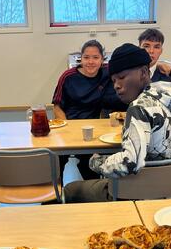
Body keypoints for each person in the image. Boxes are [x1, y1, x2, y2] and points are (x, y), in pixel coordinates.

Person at [64, 43, 171, 203]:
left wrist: (96, 162)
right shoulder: (170, 99)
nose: (116, 85)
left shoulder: (138, 108)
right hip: (169, 191)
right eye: (113, 81)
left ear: (143, 72)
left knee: (71, 189)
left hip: (138, 192)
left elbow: (130, 163)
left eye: (121, 78)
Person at [52, 40, 124, 180]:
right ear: (81, 58)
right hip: (70, 126)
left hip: (93, 130)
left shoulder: (107, 72)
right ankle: (53, 197)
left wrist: (161, 66)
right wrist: (67, 128)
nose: (90, 62)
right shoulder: (68, 76)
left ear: (102, 60)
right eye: (86, 57)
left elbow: (129, 66)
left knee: (91, 167)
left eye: (95, 57)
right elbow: (57, 106)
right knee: (56, 161)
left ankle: (93, 195)